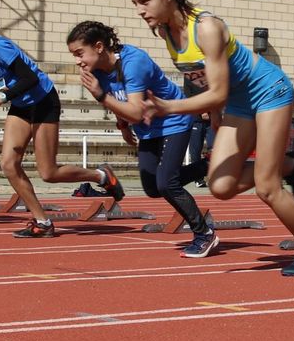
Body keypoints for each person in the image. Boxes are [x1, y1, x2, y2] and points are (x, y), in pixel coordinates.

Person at [129, 0, 294, 275]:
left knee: (266, 187)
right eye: (135, 3)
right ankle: (288, 164)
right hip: (237, 103)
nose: (139, 10)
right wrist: (218, 121)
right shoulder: (165, 32)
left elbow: (216, 91)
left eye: (144, 1)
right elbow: (205, 83)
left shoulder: (206, 27)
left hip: (268, 91)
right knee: (220, 186)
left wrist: (168, 107)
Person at [0, 11, 123, 236]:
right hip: (21, 106)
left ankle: (101, 176)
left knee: (49, 173)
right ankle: (42, 222)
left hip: (43, 100)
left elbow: (30, 78)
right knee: (8, 164)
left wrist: (3, 96)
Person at [67, 20, 217, 257]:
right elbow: (123, 103)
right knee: (153, 188)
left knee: (167, 184)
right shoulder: (95, 71)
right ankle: (209, 165)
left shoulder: (133, 63)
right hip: (147, 128)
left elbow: (132, 108)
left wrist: (100, 95)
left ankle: (204, 233)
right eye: (73, 55)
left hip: (173, 119)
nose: (77, 61)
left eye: (79, 53)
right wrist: (122, 124)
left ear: (98, 46)